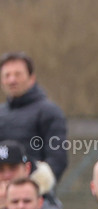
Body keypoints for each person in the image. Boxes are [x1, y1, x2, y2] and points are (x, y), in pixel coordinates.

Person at [0, 53, 67, 196]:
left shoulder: (49, 112)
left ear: (32, 78)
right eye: (7, 75)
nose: (12, 80)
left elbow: (58, 159)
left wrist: (29, 192)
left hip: (39, 202)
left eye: (17, 74)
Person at [0, 139, 63, 209]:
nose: (7, 175)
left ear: (27, 169)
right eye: (1, 169)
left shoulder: (45, 201)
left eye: (13, 168)